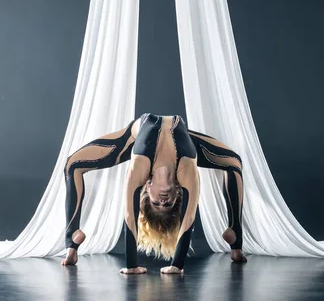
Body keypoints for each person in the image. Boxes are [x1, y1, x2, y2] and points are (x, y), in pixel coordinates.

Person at [61, 113, 246, 274]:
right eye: (168, 205)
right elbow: (188, 217)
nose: (163, 201)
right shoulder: (186, 169)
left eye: (156, 204)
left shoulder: (140, 168)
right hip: (186, 143)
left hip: (131, 140)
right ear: (177, 193)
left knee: (73, 165)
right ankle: (236, 238)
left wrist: (132, 266)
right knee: (234, 163)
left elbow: (129, 216)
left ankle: (71, 242)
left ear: (147, 188)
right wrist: (177, 266)